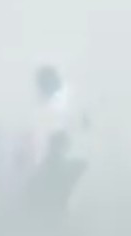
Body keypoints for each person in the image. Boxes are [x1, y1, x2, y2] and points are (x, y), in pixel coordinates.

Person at [22, 65, 89, 227]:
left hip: (63, 159)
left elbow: (53, 133)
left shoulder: (59, 104)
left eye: (41, 87)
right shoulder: (58, 100)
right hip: (61, 158)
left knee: (60, 201)